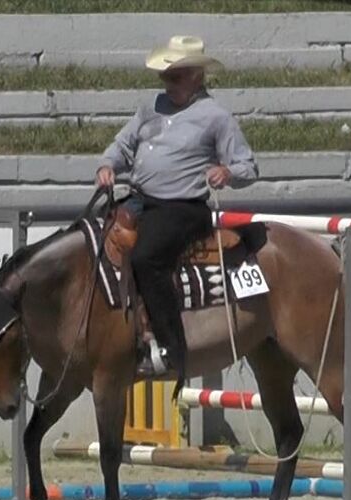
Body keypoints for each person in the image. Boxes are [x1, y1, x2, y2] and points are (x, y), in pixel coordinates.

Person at [95, 35, 258, 383]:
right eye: (166, 75)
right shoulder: (150, 107)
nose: (167, 82)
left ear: (196, 76)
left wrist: (227, 172)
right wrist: (108, 164)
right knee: (96, 242)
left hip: (183, 207)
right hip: (140, 198)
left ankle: (170, 347)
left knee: (146, 258)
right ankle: (112, 333)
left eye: (175, 75)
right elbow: (122, 145)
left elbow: (248, 167)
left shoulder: (215, 117)